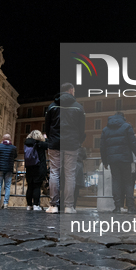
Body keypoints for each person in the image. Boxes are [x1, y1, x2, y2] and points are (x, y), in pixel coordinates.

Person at [44, 82, 86, 213]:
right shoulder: (78, 107)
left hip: (55, 143)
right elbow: (81, 129)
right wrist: (78, 141)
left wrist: (51, 139)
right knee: (70, 175)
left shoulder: (51, 107)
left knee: (54, 173)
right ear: (71, 90)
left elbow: (47, 126)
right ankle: (68, 206)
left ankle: (53, 205)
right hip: (72, 144)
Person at [100, 112, 136, 214]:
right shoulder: (127, 127)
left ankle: (117, 207)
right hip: (125, 159)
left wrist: (105, 161)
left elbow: (102, 146)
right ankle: (130, 207)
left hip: (112, 160)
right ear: (123, 118)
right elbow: (133, 144)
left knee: (116, 182)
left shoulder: (105, 129)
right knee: (128, 182)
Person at [24, 130, 49, 211]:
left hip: (29, 168)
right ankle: (36, 205)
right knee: (37, 186)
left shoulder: (27, 143)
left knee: (30, 186)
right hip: (38, 167)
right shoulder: (40, 144)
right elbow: (48, 145)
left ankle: (29, 205)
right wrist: (46, 138)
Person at [0, 133, 17, 209]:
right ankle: (5, 204)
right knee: (7, 186)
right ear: (10, 139)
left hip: (0, 168)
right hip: (9, 168)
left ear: (3, 139)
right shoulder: (13, 147)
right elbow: (15, 156)